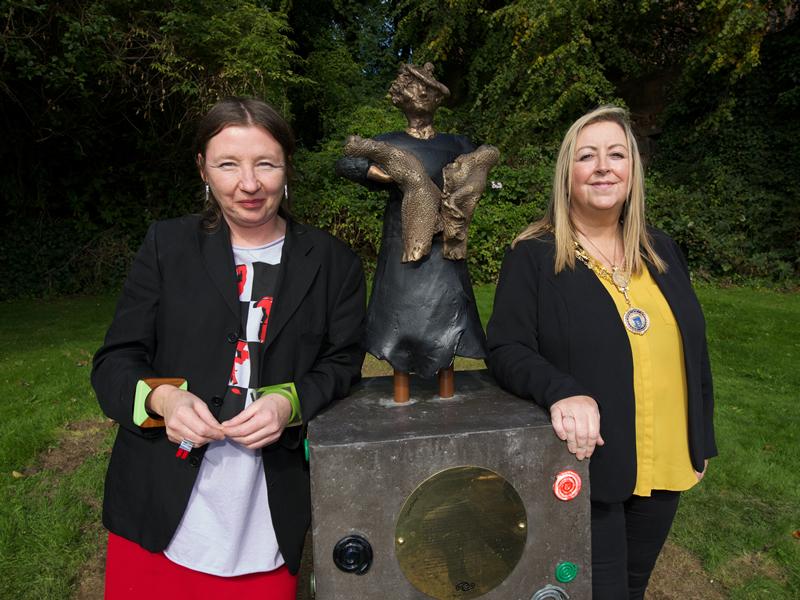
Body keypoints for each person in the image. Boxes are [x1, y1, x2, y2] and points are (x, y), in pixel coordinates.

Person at [92, 97, 366, 599]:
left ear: (287, 168)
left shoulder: (334, 262)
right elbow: (115, 362)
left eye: (266, 163)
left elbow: (343, 363)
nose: (249, 183)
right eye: (227, 164)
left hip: (266, 512)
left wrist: (290, 402)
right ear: (203, 168)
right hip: (158, 505)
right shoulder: (166, 246)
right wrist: (164, 400)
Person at [487, 105, 716, 599]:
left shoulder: (663, 250)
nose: (603, 167)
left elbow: (693, 349)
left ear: (632, 171)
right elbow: (505, 347)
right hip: (589, 463)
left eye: (616, 154)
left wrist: (701, 437)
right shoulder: (533, 256)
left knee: (633, 587)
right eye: (587, 156)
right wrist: (562, 391)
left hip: (666, 460)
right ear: (567, 174)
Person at [335, 62, 486, 398]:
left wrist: (467, 180)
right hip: (402, 244)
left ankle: (446, 375)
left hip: (446, 247)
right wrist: (388, 176)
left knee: (449, 309)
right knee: (398, 310)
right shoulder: (387, 143)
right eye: (416, 88)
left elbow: (482, 160)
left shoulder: (456, 143)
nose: (422, 94)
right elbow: (346, 162)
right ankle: (400, 378)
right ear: (402, 97)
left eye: (429, 89)